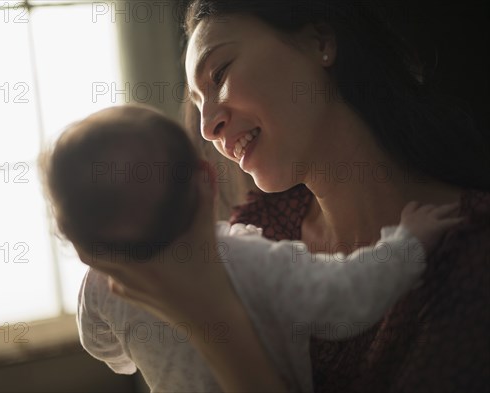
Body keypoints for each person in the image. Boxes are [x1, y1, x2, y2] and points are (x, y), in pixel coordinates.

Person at [81, 1, 490, 392]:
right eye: (198, 103)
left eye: (220, 73)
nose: (206, 126)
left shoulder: (470, 251)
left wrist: (209, 322)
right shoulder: (259, 231)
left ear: (320, 42)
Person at [41, 105, 463, 392]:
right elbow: (350, 293)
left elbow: (101, 345)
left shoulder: (100, 290)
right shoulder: (252, 264)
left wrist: (126, 356)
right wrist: (408, 243)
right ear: (206, 178)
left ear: (84, 246)